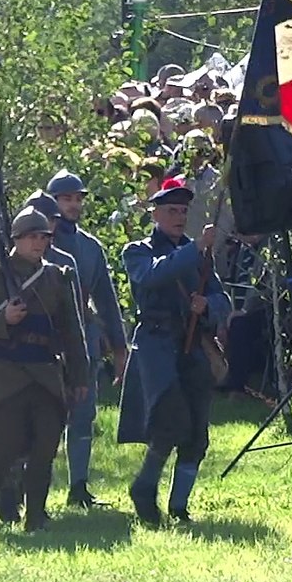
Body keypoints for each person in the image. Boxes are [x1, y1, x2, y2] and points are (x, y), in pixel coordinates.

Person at [0, 207, 88, 532]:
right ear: (16, 239)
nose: (38, 243)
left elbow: (73, 331)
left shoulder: (58, 277)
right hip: (2, 372)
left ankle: (35, 516)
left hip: (44, 371)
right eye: (31, 236)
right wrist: (2, 319)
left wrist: (79, 376)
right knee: (5, 448)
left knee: (46, 445)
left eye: (43, 236)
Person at [118, 180, 230, 526]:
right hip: (157, 345)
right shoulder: (138, 250)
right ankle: (144, 488)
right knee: (168, 423)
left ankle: (179, 507)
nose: (179, 216)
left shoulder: (196, 253)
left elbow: (223, 300)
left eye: (183, 211)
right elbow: (152, 276)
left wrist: (206, 305)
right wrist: (194, 250)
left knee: (197, 433)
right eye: (171, 210)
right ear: (155, 214)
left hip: (193, 345)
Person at [45, 169, 127, 508]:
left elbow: (106, 300)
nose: (73, 205)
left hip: (83, 337)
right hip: (44, 338)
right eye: (66, 199)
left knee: (83, 416)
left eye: (77, 199)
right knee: (41, 417)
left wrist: (119, 347)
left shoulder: (91, 247)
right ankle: (31, 490)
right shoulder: (35, 239)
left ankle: (78, 487)